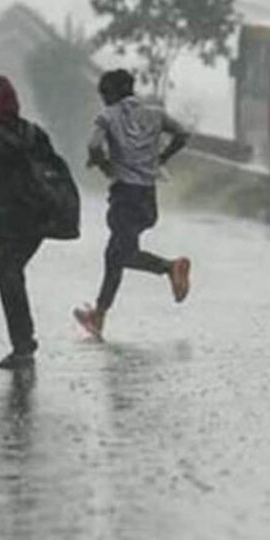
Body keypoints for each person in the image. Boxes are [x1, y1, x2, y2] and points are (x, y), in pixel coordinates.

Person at [73, 69, 191, 339]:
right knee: (114, 254)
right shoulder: (155, 113)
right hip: (148, 198)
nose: (104, 101)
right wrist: (160, 158)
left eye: (104, 95)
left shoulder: (108, 116)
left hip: (124, 196)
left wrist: (105, 166)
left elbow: (93, 146)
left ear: (112, 93)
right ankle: (98, 316)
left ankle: (170, 267)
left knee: (121, 254)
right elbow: (183, 134)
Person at [0, 75, 61, 370]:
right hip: (36, 221)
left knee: (9, 276)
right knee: (13, 273)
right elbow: (54, 171)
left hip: (4, 220)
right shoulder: (35, 133)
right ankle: (23, 343)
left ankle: (23, 346)